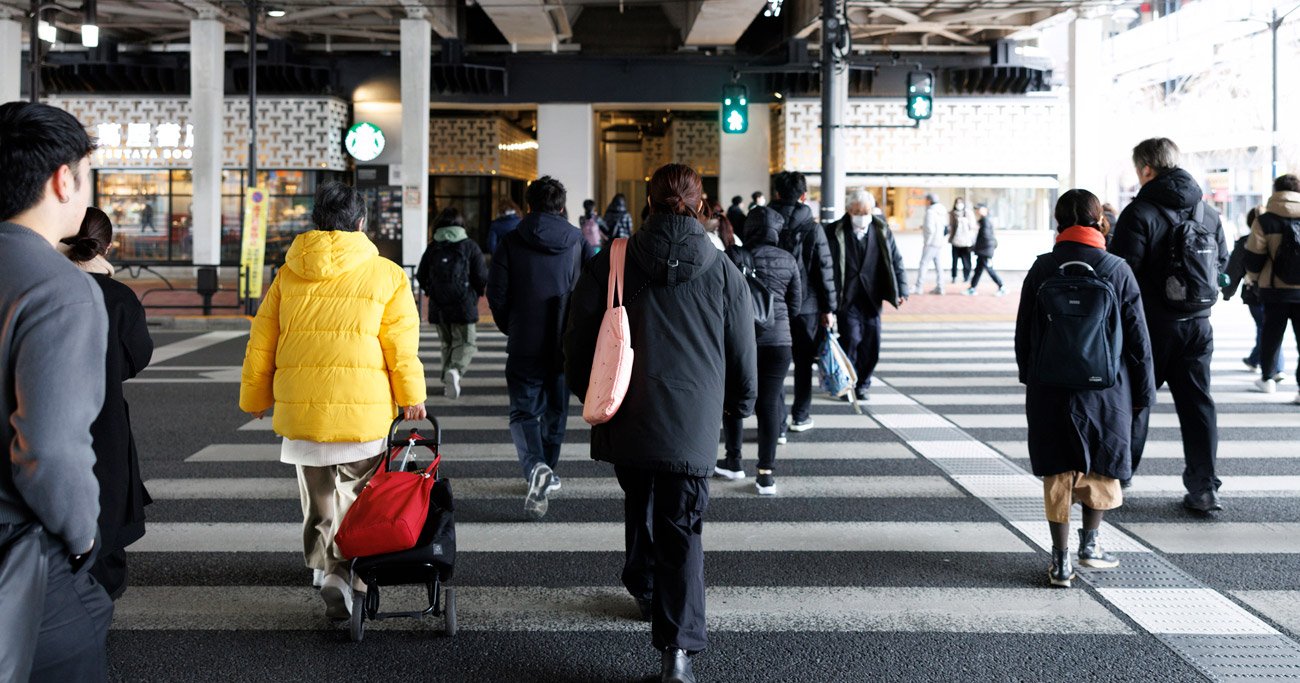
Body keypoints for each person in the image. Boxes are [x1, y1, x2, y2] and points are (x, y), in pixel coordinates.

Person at [564, 163, 758, 683]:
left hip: (627, 410)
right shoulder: (722, 271)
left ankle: (644, 585)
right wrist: (737, 410)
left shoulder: (615, 259)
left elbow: (578, 335)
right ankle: (677, 654)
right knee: (683, 526)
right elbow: (743, 355)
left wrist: (591, 392)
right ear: (700, 206)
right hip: (692, 420)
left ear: (647, 202)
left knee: (641, 495)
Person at [239, 181, 427, 619]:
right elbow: (400, 345)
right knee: (359, 498)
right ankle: (346, 573)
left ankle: (324, 567)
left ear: (316, 223)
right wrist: (411, 397)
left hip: (302, 410)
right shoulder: (387, 274)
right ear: (361, 223)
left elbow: (262, 341)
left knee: (318, 499)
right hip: (362, 410)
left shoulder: (287, 273)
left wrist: (255, 397)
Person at [0, 101, 112, 682]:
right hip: (17, 546)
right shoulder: (58, 289)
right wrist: (81, 534)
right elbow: (48, 446)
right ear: (62, 178)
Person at [1015, 189, 1156, 588]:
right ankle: (1090, 546)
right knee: (1102, 462)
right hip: (1106, 387)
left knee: (1058, 467)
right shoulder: (1116, 268)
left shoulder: (1042, 268)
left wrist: (1032, 377)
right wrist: (1144, 392)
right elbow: (1138, 338)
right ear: (1099, 220)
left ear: (1059, 221)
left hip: (1051, 384)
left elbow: (1024, 332)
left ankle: (1060, 562)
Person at [1109, 137, 1229, 512]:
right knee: (1198, 405)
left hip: (1151, 327)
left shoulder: (1139, 212)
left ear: (1146, 169)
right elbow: (1221, 263)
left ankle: (1120, 478)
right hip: (1198, 325)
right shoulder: (1206, 212)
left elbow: (1121, 273)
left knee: (1136, 401)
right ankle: (1204, 488)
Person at [59, 207, 154, 601]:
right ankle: (99, 600)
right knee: (107, 501)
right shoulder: (119, 297)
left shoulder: (45, 288)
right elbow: (138, 356)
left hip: (47, 418)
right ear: (108, 246)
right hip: (105, 419)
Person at [488, 176, 592, 520]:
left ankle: (536, 467)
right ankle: (548, 467)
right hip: (565, 341)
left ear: (528, 205)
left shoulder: (511, 240)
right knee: (556, 411)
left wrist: (512, 326)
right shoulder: (577, 242)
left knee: (523, 410)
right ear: (561, 206)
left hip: (524, 340)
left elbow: (497, 294)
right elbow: (588, 292)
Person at [716, 204, 801, 493]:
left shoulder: (734, 256)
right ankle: (765, 474)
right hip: (779, 342)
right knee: (769, 405)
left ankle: (734, 461)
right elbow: (796, 305)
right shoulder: (788, 260)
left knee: (735, 399)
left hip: (743, 340)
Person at [770, 171, 838, 433]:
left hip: (773, 306)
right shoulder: (812, 226)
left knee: (773, 364)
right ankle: (801, 415)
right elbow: (825, 269)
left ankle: (778, 423)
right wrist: (828, 308)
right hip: (807, 307)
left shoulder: (765, 222)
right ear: (804, 196)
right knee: (803, 362)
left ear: (776, 194)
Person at [825, 190, 909, 401]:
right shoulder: (835, 231)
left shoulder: (881, 229)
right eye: (857, 211)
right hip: (847, 297)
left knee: (872, 343)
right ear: (849, 211)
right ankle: (850, 383)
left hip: (873, 296)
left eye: (866, 211)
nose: (862, 215)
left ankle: (864, 383)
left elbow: (896, 261)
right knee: (851, 340)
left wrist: (902, 289)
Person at [417, 206, 489, 400]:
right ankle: (455, 371)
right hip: (463, 303)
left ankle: (447, 381)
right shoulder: (469, 246)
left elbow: (420, 274)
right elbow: (481, 276)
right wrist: (474, 295)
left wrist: (432, 291)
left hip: (438, 305)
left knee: (447, 344)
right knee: (467, 343)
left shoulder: (433, 247)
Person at [1245, 174, 1300, 403]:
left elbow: (1254, 256)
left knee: (1271, 335)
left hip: (1274, 290)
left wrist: (1254, 279)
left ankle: (1268, 378)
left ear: (1275, 190)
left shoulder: (1265, 220)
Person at [1223, 207, 1285, 382]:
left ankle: (1275, 367)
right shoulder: (1282, 236)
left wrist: (1227, 292)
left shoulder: (1245, 242)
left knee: (1266, 328)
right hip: (1278, 291)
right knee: (1269, 328)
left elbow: (1235, 270)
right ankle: (1257, 360)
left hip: (1255, 293)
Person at [965, 203, 1007, 296]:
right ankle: (972, 288)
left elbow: (986, 238)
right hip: (983, 251)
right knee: (978, 270)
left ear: (985, 209)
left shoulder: (985, 221)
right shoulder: (984, 220)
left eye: (979, 209)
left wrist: (975, 248)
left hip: (985, 252)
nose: (977, 211)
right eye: (976, 209)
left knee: (989, 270)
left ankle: (1002, 287)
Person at [915, 193, 946, 295]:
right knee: (938, 265)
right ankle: (941, 287)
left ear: (929, 201)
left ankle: (919, 287)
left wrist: (927, 243)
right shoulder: (942, 211)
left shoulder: (930, 212)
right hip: (939, 241)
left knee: (923, 264)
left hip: (931, 242)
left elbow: (930, 229)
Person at [949, 197, 976, 283]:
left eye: (960, 202)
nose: (959, 205)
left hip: (966, 242)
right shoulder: (952, 214)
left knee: (966, 261)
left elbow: (972, 227)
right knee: (954, 261)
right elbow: (951, 227)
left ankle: (966, 276)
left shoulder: (968, 213)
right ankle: (954, 276)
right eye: (957, 203)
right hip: (955, 241)